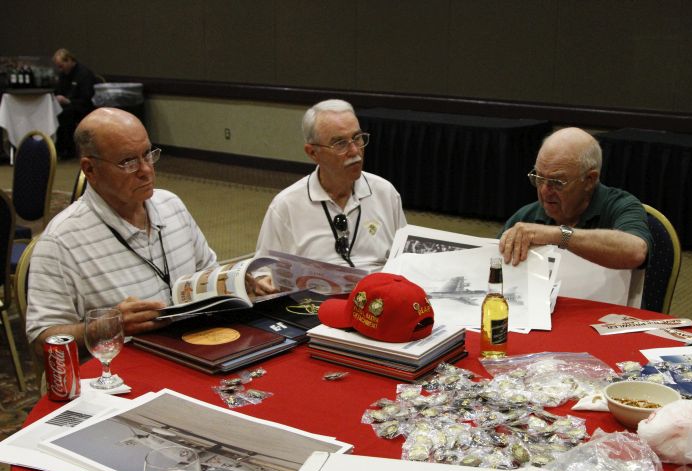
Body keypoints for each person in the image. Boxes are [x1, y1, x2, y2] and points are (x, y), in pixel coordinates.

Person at [25, 107, 220, 356]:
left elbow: (208, 274)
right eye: (128, 162)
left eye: (147, 154)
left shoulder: (171, 205)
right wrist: (105, 327)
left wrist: (239, 284)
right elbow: (42, 341)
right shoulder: (61, 240)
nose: (146, 170)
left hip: (198, 350)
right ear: (90, 169)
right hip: (124, 369)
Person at [255, 99, 406, 271]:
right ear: (313, 153)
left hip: (378, 285)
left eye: (357, 138)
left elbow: (405, 259)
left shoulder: (385, 193)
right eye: (340, 143)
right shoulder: (286, 206)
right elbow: (263, 271)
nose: (355, 151)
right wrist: (263, 279)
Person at [499, 127, 652, 270]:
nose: (544, 191)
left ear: (590, 180)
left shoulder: (621, 206)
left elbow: (636, 252)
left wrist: (559, 235)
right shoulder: (526, 217)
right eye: (539, 178)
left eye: (557, 182)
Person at [52, 48, 96, 158]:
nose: (60, 69)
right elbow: (58, 90)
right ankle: (55, 148)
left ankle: (68, 150)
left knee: (65, 115)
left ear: (69, 61)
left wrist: (68, 101)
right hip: (67, 106)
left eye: (61, 66)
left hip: (83, 107)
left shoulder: (84, 74)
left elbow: (87, 97)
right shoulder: (63, 74)